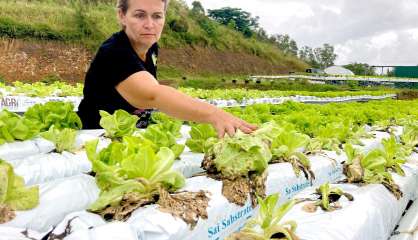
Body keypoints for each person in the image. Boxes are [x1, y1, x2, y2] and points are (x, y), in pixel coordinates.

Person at [77, 0, 256, 138]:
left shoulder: (151, 47)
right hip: (98, 137)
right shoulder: (114, 52)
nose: (149, 25)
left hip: (132, 132)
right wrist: (213, 114)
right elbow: (153, 95)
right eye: (139, 15)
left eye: (157, 16)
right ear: (122, 15)